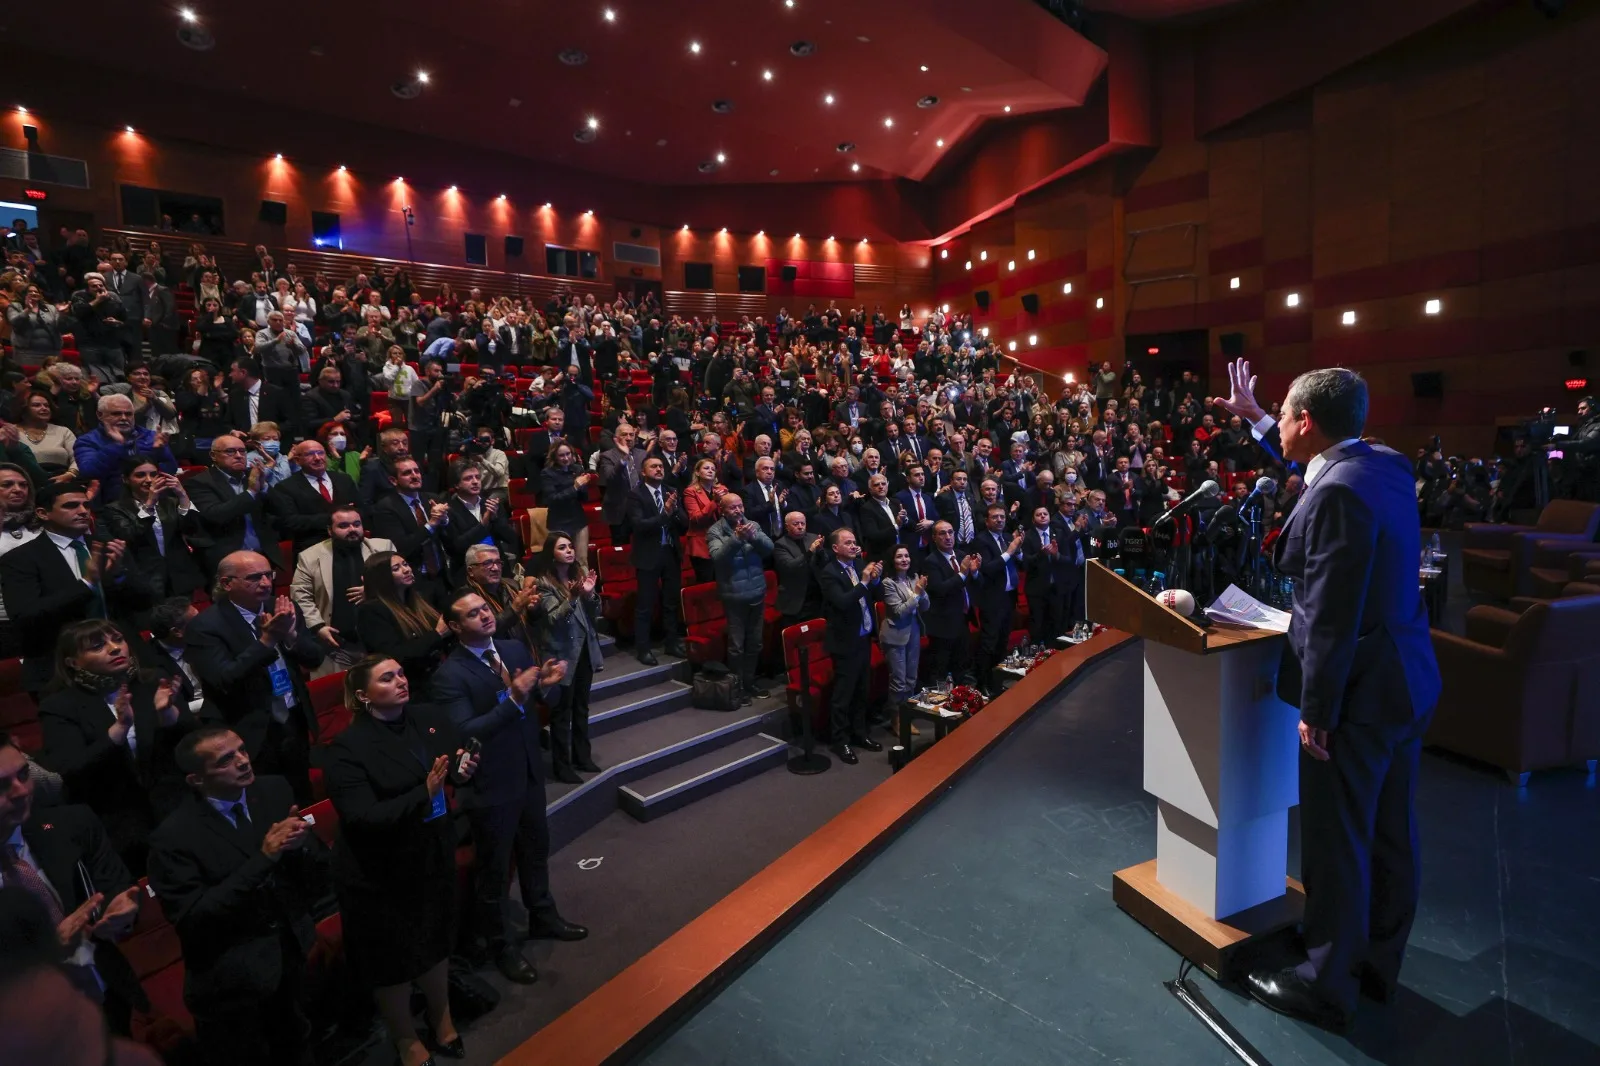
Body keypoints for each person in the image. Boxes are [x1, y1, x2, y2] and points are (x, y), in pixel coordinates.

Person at [1216, 360, 1443, 1030]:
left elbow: (1329, 615)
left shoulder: (1337, 494)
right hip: (1407, 680)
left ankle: (1326, 983)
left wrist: (1318, 710)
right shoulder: (1384, 464)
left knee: (1337, 839)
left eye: (1285, 413)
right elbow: (1317, 463)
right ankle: (1374, 966)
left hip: (1359, 695)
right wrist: (1259, 419)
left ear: (1308, 420)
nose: (1280, 423)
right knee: (1389, 833)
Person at [323, 656, 480, 1066]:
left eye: (401, 674)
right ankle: (405, 1038)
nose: (401, 681)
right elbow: (362, 817)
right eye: (387, 678)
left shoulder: (428, 717)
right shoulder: (346, 748)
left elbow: (449, 769)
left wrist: (461, 772)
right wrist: (424, 792)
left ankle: (441, 1017)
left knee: (435, 939)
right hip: (378, 870)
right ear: (363, 695)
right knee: (391, 958)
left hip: (431, 849)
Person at [431, 591, 586, 985]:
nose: (485, 615)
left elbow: (540, 702)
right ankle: (502, 946)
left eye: (485, 609)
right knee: (495, 871)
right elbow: (466, 731)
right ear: (455, 627)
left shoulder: (513, 648)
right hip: (490, 782)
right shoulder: (449, 675)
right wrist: (515, 697)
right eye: (473, 614)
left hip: (529, 769)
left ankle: (543, 915)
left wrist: (546, 687)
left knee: (536, 851)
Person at [145, 728, 324, 1066]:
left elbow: (304, 865)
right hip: (230, 982)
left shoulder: (272, 790)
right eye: (226, 760)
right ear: (197, 780)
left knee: (298, 1045)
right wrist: (264, 858)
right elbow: (194, 918)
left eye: (242, 750)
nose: (243, 761)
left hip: (287, 952)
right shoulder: (172, 838)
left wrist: (300, 847)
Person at [0, 731, 148, 1036]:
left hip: (108, 1003)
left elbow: (118, 887)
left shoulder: (72, 824)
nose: (21, 791)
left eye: (24, 774)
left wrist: (121, 911)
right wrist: (46, 952)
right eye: (2, 785)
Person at [37, 620, 195, 875]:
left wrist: (168, 715)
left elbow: (193, 746)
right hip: (116, 824)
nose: (114, 648)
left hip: (175, 811)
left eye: (118, 640)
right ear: (73, 662)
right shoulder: (59, 706)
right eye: (97, 646)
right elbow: (69, 769)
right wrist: (119, 729)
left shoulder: (152, 682)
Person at [185, 551, 325, 804]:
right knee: (264, 803)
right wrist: (267, 641)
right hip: (248, 731)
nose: (265, 583)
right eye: (254, 578)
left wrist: (291, 636)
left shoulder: (281, 607)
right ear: (227, 583)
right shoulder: (204, 626)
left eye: (268, 575)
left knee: (302, 795)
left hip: (293, 718)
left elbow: (315, 659)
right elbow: (224, 679)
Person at [0, 480, 143, 693]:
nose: (83, 511)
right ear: (43, 513)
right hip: (61, 670)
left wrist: (118, 577)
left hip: (123, 661)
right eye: (71, 506)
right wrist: (87, 584)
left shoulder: (108, 547)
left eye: (86, 505)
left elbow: (146, 601)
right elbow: (25, 616)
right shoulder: (20, 559)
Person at [289, 505, 395, 678]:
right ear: (330, 530)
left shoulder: (382, 547)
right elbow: (300, 596)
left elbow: (402, 581)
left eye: (356, 524)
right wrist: (318, 626)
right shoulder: (310, 557)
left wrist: (373, 590)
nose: (352, 529)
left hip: (382, 639)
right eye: (343, 526)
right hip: (337, 645)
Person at [532, 532, 603, 783]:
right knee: (562, 713)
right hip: (561, 655)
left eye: (571, 546)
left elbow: (596, 613)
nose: (570, 551)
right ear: (551, 554)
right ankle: (562, 766)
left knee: (581, 707)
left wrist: (590, 595)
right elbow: (553, 619)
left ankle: (583, 757)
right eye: (562, 547)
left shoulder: (579, 576)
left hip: (584, 651)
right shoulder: (543, 583)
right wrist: (572, 598)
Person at [815, 528, 885, 764]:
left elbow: (874, 594)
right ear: (835, 548)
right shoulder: (829, 573)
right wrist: (865, 581)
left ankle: (859, 734)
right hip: (844, 643)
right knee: (843, 695)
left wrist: (875, 580)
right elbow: (843, 602)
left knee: (862, 691)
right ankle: (840, 741)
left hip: (863, 638)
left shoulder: (859, 565)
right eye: (848, 543)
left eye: (855, 542)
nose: (854, 546)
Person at [102, 457, 205, 603]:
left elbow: (193, 529)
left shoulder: (170, 503)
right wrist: (150, 503)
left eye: (153, 474)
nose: (149, 480)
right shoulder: (115, 509)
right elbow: (129, 535)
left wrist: (182, 494)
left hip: (179, 578)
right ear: (125, 479)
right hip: (144, 580)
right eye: (140, 475)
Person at [184, 435, 285, 580]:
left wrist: (264, 487)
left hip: (262, 557)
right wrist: (251, 492)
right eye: (230, 451)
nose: (238, 456)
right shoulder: (199, 483)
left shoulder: (254, 476)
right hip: (226, 562)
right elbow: (216, 515)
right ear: (213, 455)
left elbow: (282, 510)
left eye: (242, 451)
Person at [355, 550, 452, 687]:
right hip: (411, 684)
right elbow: (396, 656)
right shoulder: (371, 611)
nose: (406, 570)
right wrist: (438, 634)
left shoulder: (418, 600)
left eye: (405, 564)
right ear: (381, 577)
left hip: (440, 673)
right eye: (396, 568)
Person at [628, 456, 689, 665]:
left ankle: (671, 642)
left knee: (671, 602)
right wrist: (665, 514)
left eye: (661, 466)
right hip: (648, 555)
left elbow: (684, 523)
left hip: (670, 552)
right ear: (643, 472)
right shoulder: (636, 495)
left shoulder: (670, 491)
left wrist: (675, 512)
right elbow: (639, 526)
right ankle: (643, 648)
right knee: (645, 604)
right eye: (653, 466)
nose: (659, 469)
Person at [367, 456, 452, 602]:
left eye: (416, 471)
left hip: (440, 576)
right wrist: (431, 524)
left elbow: (449, 538)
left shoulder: (431, 499)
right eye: (407, 473)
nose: (414, 476)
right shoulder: (385, 508)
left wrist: (444, 521)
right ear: (393, 480)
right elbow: (401, 547)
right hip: (414, 580)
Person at [71, 393, 177, 508]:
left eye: (128, 414)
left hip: (154, 499)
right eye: (116, 414)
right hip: (112, 504)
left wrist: (159, 452)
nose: (124, 418)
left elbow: (171, 470)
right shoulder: (87, 441)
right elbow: (89, 472)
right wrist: (116, 446)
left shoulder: (151, 437)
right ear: (100, 415)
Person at [266, 439, 360, 553]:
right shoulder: (285, 487)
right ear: (297, 460)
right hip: (311, 549)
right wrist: (334, 518)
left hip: (351, 546)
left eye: (321, 453)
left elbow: (361, 509)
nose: (317, 458)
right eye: (310, 454)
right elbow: (289, 522)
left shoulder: (344, 479)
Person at [921, 520, 980, 687]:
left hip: (963, 620)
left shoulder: (961, 555)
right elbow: (939, 590)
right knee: (940, 670)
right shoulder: (931, 562)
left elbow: (976, 585)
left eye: (950, 532)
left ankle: (962, 697)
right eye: (942, 533)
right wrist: (962, 574)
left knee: (961, 665)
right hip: (943, 625)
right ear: (934, 538)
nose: (948, 537)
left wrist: (975, 573)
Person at [974, 504, 1024, 697]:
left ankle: (998, 680)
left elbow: (1021, 563)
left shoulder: (1007, 537)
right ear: (987, 521)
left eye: (1002, 517)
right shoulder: (981, 540)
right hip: (992, 599)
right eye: (995, 517)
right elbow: (987, 568)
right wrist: (1009, 552)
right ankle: (982, 683)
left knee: (1003, 641)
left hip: (1009, 597)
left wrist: (1018, 551)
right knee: (989, 643)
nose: (1000, 520)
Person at [878, 545, 928, 736]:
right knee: (899, 681)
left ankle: (906, 715)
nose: (904, 559)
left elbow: (925, 606)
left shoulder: (913, 578)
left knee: (911, 679)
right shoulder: (888, 583)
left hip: (913, 631)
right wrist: (916, 593)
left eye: (907, 556)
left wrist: (922, 593)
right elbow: (899, 612)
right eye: (899, 556)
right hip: (895, 635)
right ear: (893, 560)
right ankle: (896, 718)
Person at [445, 458, 521, 579]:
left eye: (477, 477)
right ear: (456, 484)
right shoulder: (449, 510)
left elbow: (510, 538)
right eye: (468, 478)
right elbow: (456, 547)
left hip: (498, 569)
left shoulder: (491, 504)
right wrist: (483, 524)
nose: (475, 482)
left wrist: (495, 519)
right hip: (467, 573)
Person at [1022, 504, 1079, 647]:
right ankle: (1037, 655)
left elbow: (1069, 559)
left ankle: (1055, 653)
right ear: (1033, 519)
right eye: (1038, 514)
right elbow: (1025, 563)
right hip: (1037, 590)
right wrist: (1041, 554)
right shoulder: (1027, 537)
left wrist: (1056, 555)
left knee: (1056, 625)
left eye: (1045, 514)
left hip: (1057, 588)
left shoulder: (1058, 533)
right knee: (1037, 626)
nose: (1042, 516)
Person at [772, 511, 821, 634]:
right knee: (797, 636)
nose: (800, 526)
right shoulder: (780, 545)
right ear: (787, 526)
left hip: (816, 596)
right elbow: (790, 566)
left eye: (802, 523)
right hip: (795, 598)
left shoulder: (813, 538)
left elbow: (823, 563)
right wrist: (810, 552)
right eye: (796, 524)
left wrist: (821, 551)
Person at [681, 457, 728, 584]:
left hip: (722, 541)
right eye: (706, 468)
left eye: (713, 469)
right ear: (697, 472)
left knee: (723, 581)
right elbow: (696, 518)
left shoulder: (722, 489)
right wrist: (714, 502)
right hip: (702, 544)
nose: (710, 471)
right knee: (707, 582)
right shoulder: (690, 492)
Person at [597, 422, 643, 544]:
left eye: (631, 435)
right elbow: (610, 477)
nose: (628, 438)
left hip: (641, 509)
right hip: (620, 510)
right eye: (624, 435)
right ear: (616, 439)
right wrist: (624, 458)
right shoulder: (607, 456)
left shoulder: (642, 454)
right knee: (621, 546)